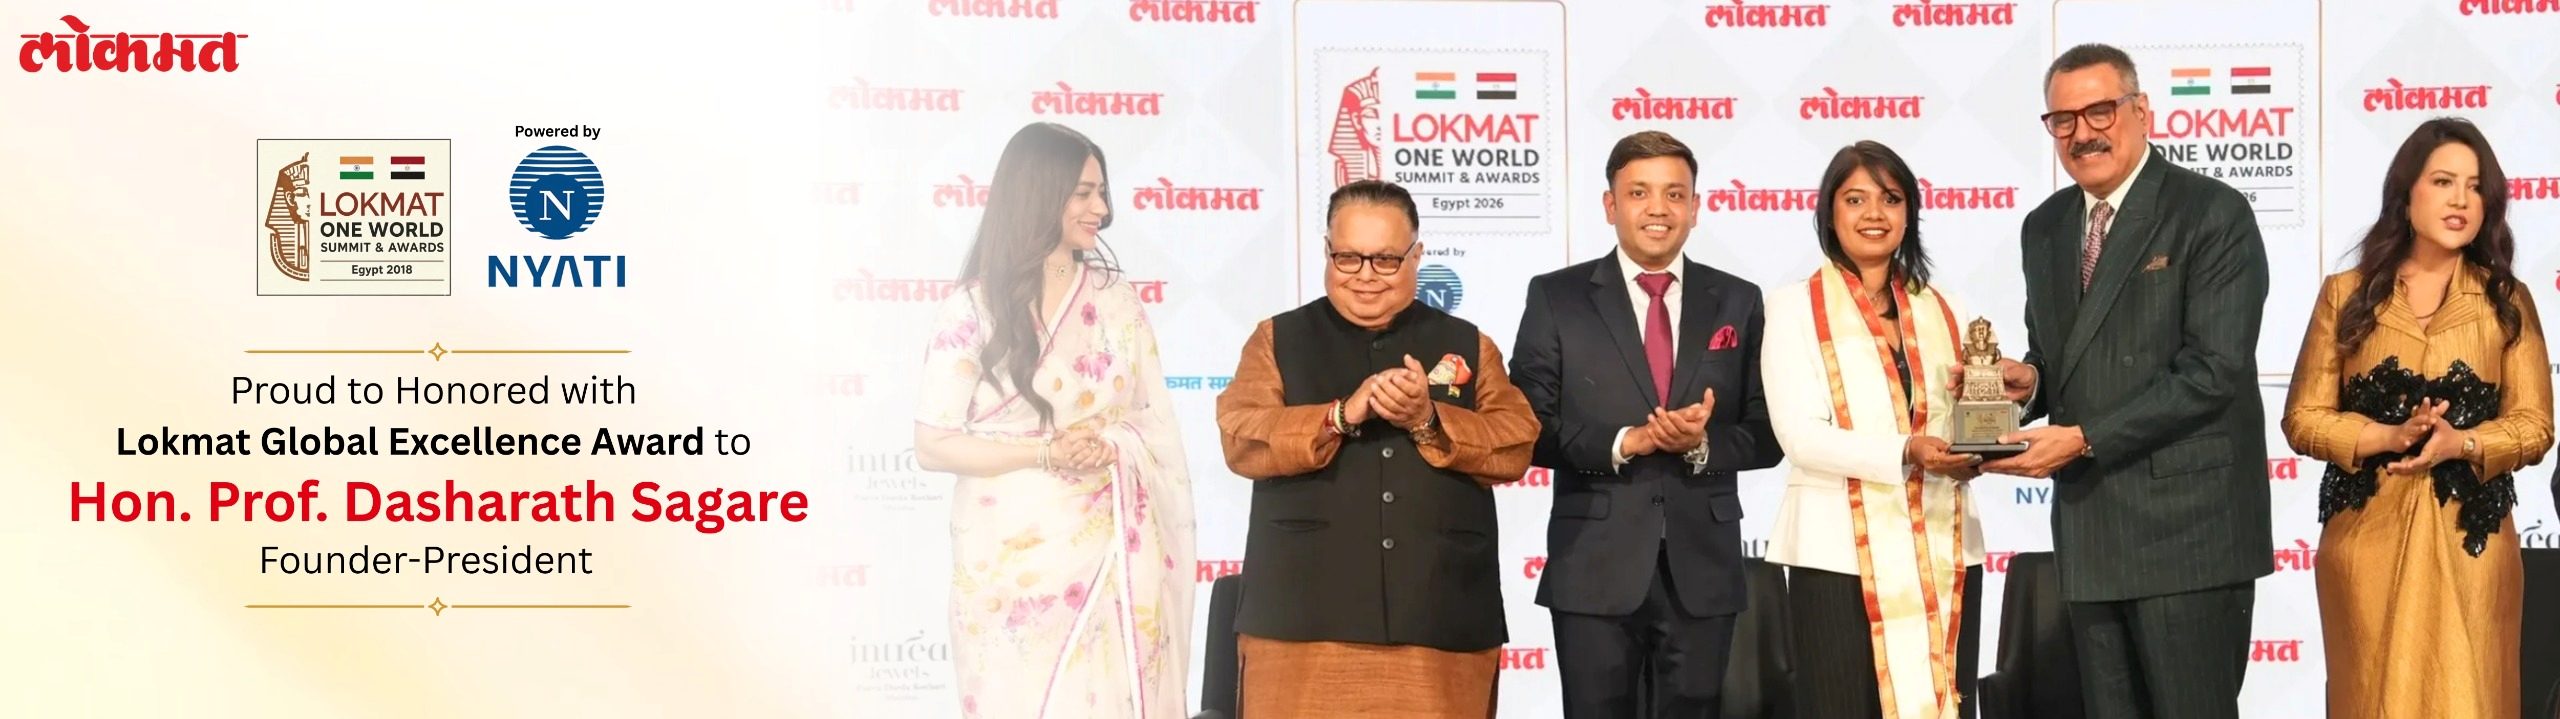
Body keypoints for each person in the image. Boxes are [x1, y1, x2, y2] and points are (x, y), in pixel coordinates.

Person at [1975, 43, 2272, 718]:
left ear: (2142, 112)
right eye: (2063, 119)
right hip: (2092, 530)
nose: (2083, 132)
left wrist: (2082, 438)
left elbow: (2213, 371)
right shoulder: (2045, 227)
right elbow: (2062, 357)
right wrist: (2028, 383)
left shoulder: (2211, 212)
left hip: (2190, 533)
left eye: (2100, 111)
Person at [1214, 179, 1539, 718]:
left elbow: (1516, 442)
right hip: (1300, 617)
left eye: (1386, 259)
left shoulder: (1468, 343)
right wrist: (1342, 414)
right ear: (1327, 251)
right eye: (1348, 257)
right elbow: (1242, 438)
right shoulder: (1276, 339)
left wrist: (1427, 419)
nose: (1365, 275)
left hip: (1440, 616)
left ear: (1417, 256)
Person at [911, 122, 1196, 719]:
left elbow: (1152, 423)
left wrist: (1111, 445)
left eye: (1102, 192)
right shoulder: (973, 308)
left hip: (1111, 543)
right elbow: (933, 445)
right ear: (1038, 193)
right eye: (1083, 193)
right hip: (1008, 566)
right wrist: (1047, 452)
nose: (1102, 209)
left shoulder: (1117, 300)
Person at [2280, 117, 2549, 718]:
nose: (2461, 200)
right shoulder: (2346, 294)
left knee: (2473, 698)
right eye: (2444, 182)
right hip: (2364, 543)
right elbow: (2303, 418)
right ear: (2406, 195)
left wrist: (2464, 444)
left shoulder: (2506, 301)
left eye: (2475, 187)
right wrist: (2384, 435)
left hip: (2471, 544)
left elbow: (2535, 426)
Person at [1511, 129, 1783, 718]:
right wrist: (1623, 442)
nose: (1658, 208)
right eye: (1639, 192)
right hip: (1593, 564)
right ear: (1610, 205)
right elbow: (1526, 426)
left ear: (1696, 207)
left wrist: (1703, 444)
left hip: (1703, 566)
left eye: (1674, 194)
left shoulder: (1738, 299)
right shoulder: (1557, 297)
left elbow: (1769, 433)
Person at [1761, 141, 1985, 718]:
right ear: (1829, 212)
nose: (1874, 214)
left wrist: (1981, 444)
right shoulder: (1793, 307)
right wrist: (1908, 450)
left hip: (1942, 543)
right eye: (1855, 199)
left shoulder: (1949, 309)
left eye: (1890, 198)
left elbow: (1970, 417)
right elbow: (1800, 436)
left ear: (1909, 212)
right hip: (1837, 555)